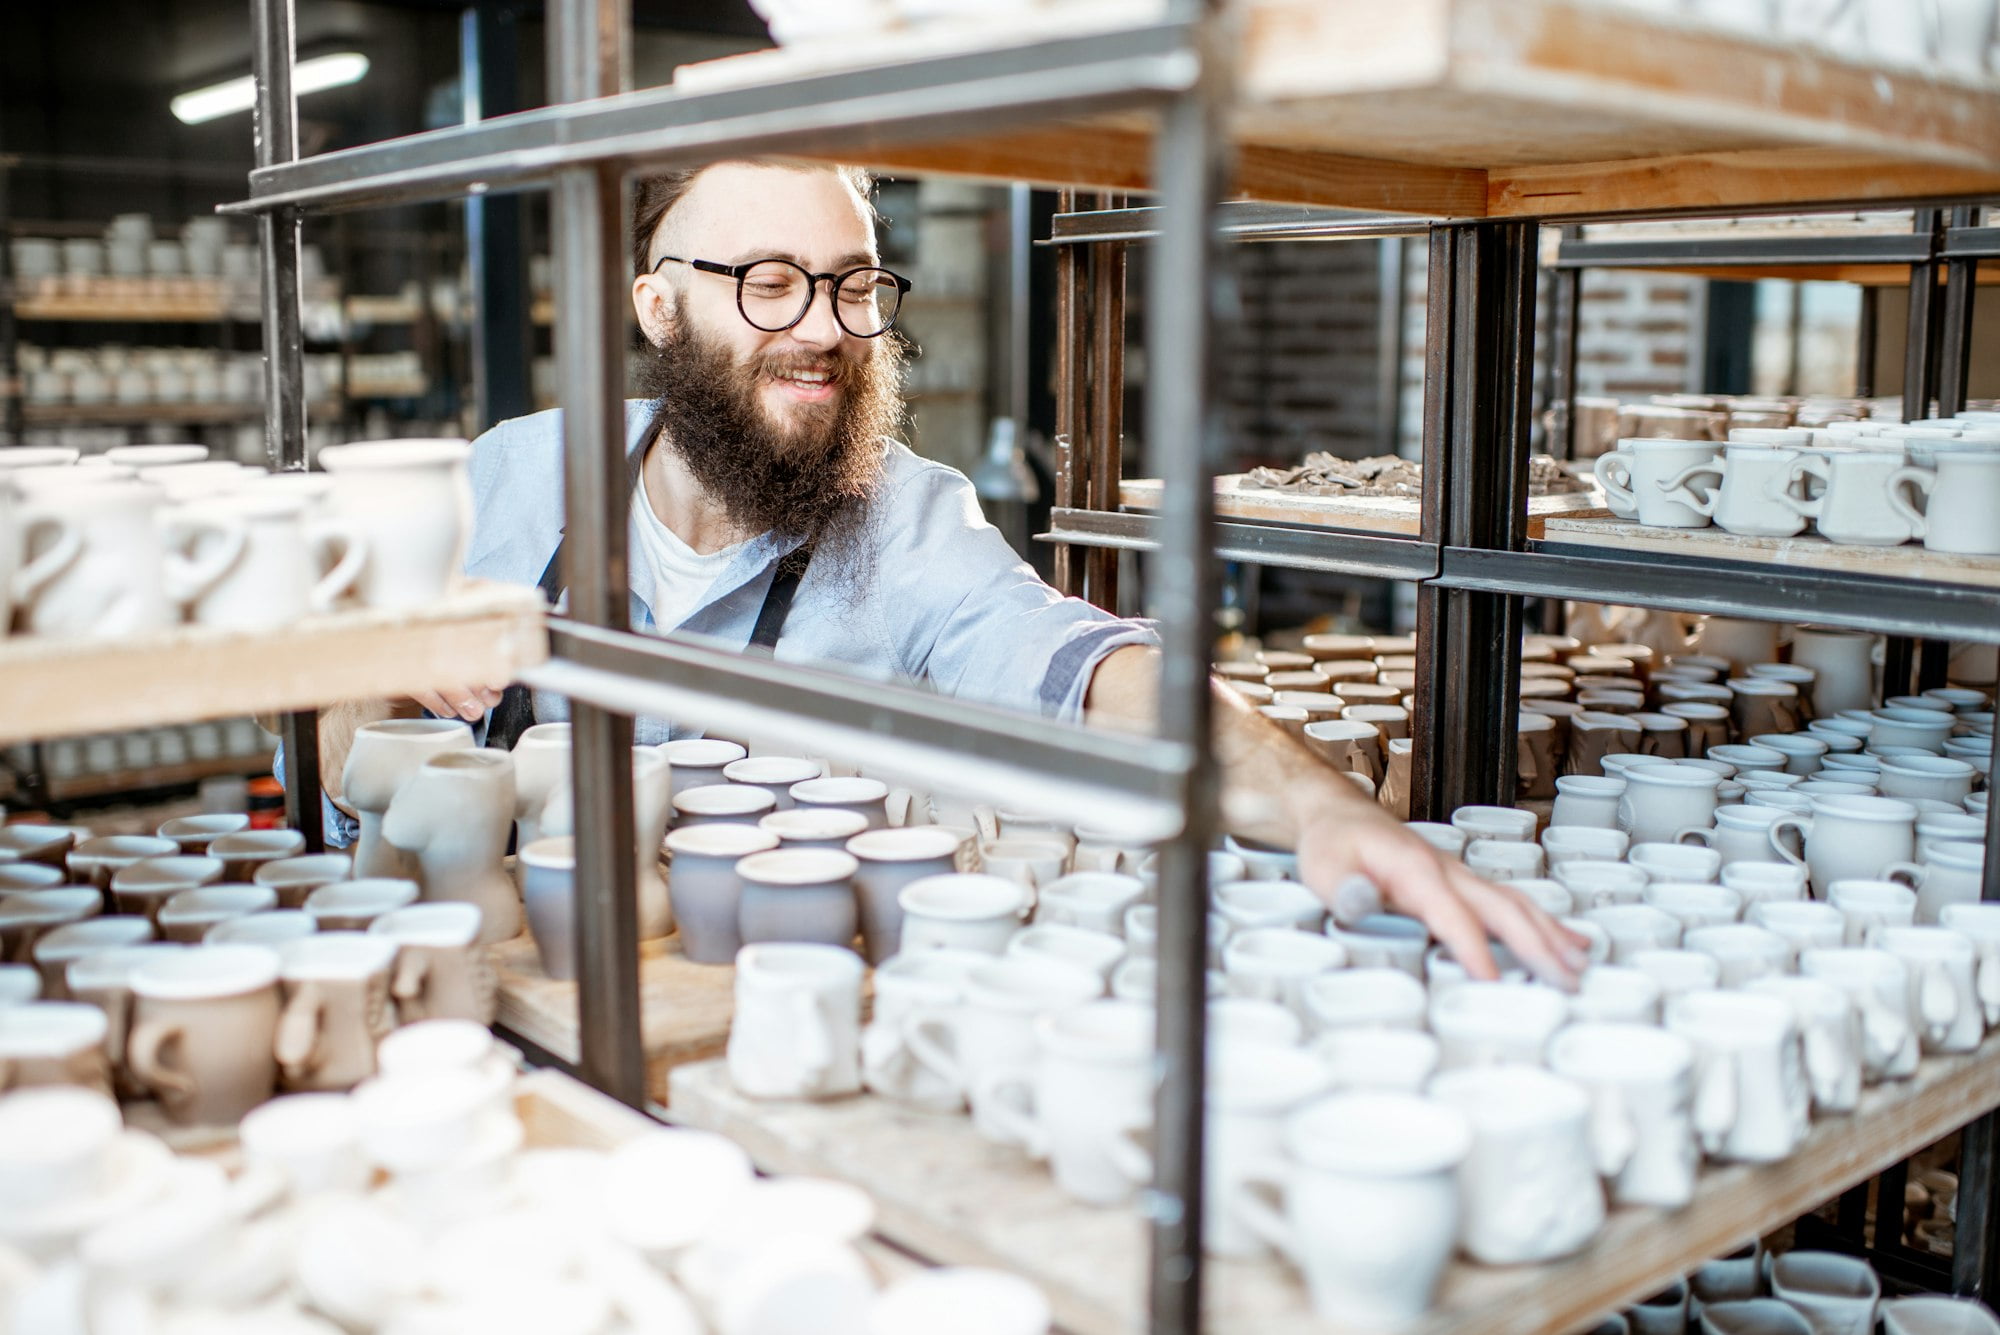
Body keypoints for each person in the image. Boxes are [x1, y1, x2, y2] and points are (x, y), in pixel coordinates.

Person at [309, 159, 1584, 984]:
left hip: (761, 1033)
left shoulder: (907, 523)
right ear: (657, 308)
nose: (822, 328)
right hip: (497, 1004)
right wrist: (369, 688)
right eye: (767, 284)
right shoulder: (507, 480)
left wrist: (1324, 809)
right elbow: (331, 765)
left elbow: (1096, 673)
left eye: (853, 286)